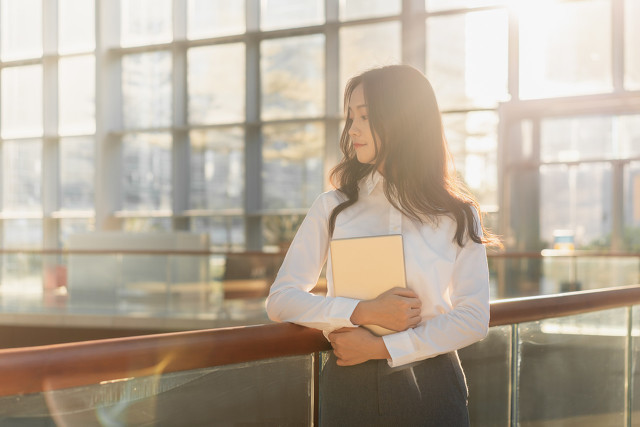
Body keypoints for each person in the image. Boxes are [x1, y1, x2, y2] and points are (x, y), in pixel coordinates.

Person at [266, 64, 500, 426]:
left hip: (432, 383)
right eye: (350, 117)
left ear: (403, 120)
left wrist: (382, 347)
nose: (352, 129)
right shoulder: (332, 207)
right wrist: (361, 311)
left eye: (365, 116)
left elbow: (472, 318)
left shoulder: (457, 214)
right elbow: (281, 299)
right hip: (349, 382)